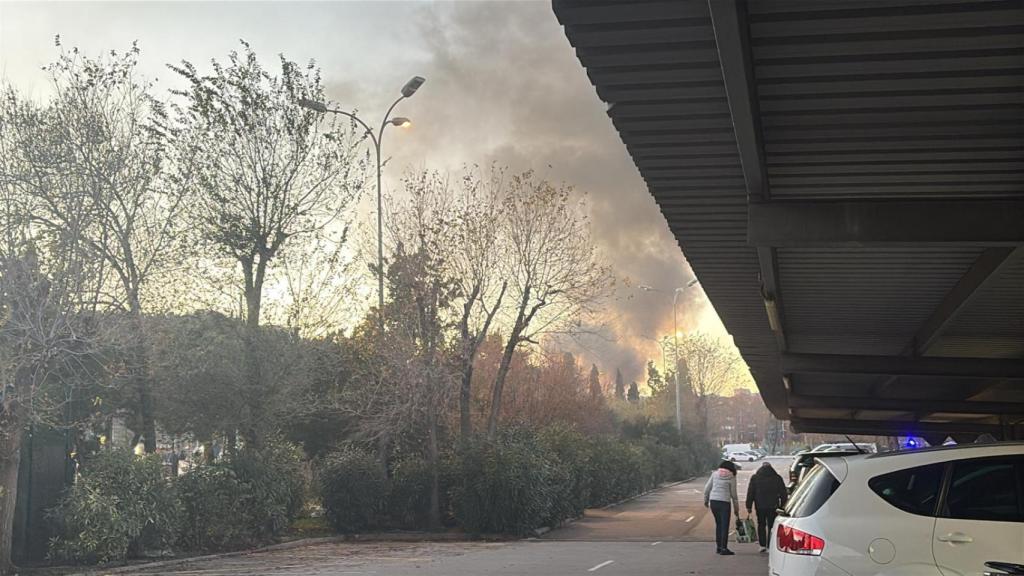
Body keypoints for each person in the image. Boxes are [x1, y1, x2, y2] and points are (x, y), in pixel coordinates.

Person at [746, 461, 788, 553]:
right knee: (771, 526)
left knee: (761, 524)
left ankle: (762, 545)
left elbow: (750, 492)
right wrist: (782, 505)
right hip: (773, 506)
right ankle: (770, 545)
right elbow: (783, 493)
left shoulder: (755, 478)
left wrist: (748, 505)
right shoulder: (777, 478)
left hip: (759, 505)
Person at [703, 460, 740, 555]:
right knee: (724, 526)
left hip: (714, 501)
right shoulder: (732, 476)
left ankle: (719, 547)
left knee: (718, 524)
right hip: (724, 503)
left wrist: (706, 500)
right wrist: (736, 509)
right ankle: (724, 548)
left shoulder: (715, 474)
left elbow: (707, 488)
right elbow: (734, 495)